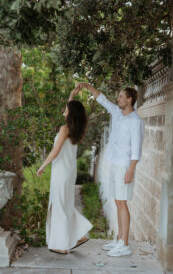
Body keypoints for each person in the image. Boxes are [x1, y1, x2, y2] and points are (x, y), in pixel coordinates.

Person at [75, 83, 144, 257]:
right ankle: (118, 239)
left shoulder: (136, 122)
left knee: (122, 203)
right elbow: (101, 98)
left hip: (124, 166)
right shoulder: (117, 113)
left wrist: (131, 170)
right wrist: (85, 86)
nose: (118, 99)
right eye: (118, 96)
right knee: (117, 202)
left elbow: (137, 149)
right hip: (114, 163)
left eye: (121, 96)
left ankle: (124, 244)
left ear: (130, 99)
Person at [37, 89, 93, 254]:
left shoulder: (64, 129)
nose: (64, 110)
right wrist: (72, 96)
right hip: (69, 171)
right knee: (65, 203)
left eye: (66, 108)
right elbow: (70, 110)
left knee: (60, 205)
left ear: (70, 113)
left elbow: (55, 152)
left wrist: (42, 166)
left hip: (61, 171)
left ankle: (61, 245)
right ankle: (78, 236)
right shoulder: (75, 129)